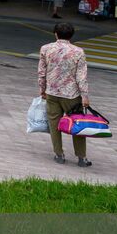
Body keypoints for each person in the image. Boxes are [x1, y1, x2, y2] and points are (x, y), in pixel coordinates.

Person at [37, 22, 93, 167]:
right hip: (72, 95)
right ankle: (81, 158)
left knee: (54, 124)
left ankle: (59, 154)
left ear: (55, 33)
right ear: (72, 35)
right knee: (77, 125)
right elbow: (82, 76)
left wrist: (42, 89)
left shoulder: (46, 48)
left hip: (52, 93)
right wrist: (85, 96)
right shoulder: (78, 52)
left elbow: (41, 73)